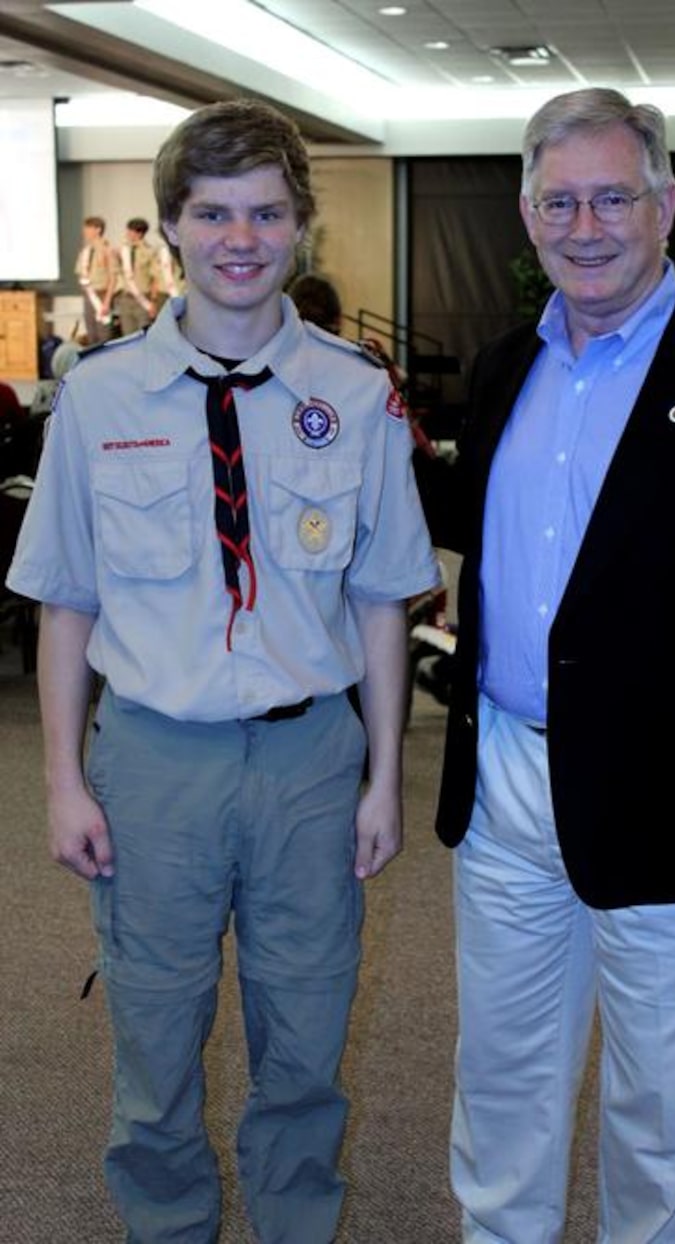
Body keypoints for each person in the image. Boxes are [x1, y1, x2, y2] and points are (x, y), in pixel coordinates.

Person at [7, 97, 438, 1244]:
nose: (240, 237)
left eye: (265, 211)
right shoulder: (97, 399)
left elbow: (381, 599)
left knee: (304, 1034)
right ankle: (169, 1226)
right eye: (212, 213)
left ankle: (296, 1222)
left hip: (309, 757)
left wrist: (385, 775)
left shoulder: (355, 393)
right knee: (154, 1033)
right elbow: (65, 601)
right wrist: (62, 778)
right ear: (171, 228)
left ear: (299, 227)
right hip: (153, 761)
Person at [427, 87, 675, 1244]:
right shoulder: (502, 366)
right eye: (559, 199)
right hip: (505, 776)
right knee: (499, 1071)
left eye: (612, 196)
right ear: (524, 211)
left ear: (664, 205)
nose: (584, 223)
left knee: (660, 1105)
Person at [74, 215, 117, 344]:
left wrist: (107, 302)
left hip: (102, 296)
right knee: (92, 335)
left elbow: (113, 277)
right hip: (89, 296)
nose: (85, 232)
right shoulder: (85, 251)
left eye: (88, 228)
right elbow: (80, 273)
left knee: (103, 337)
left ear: (98, 230)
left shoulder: (107, 250)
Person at [114, 216, 158, 335]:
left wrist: (153, 301)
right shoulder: (123, 251)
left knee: (143, 335)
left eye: (130, 231)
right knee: (127, 337)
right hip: (126, 298)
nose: (127, 234)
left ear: (139, 233)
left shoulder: (150, 251)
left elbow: (155, 278)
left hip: (143, 298)